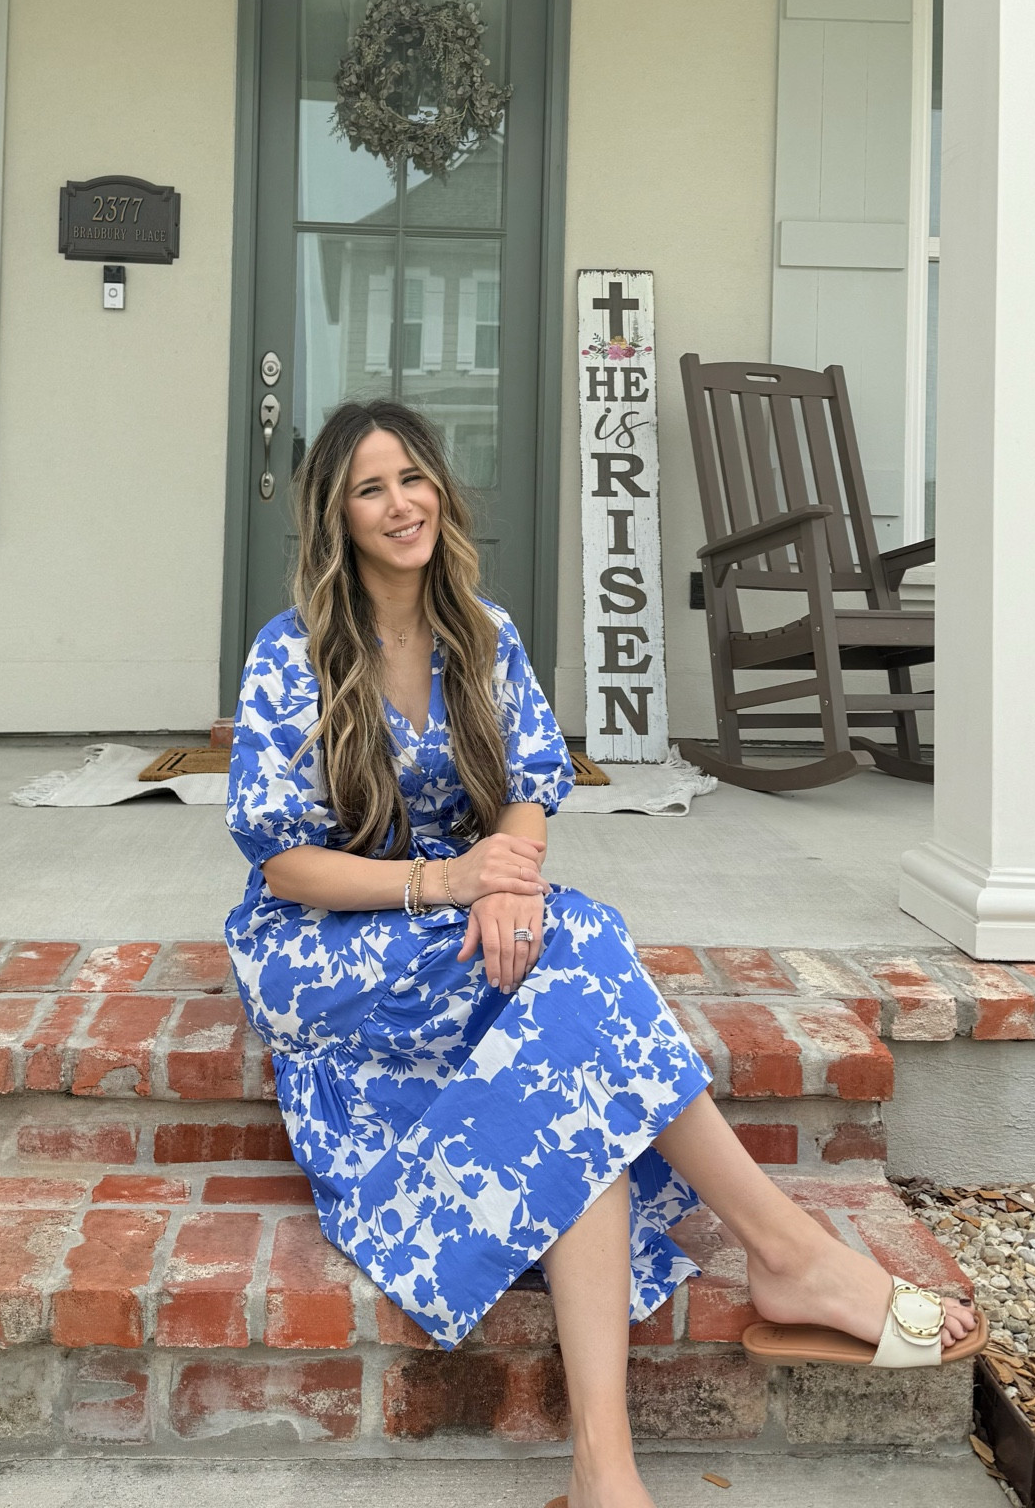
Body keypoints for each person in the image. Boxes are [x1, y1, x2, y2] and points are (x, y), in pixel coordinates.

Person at [225, 399, 980, 1508]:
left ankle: (604, 1469)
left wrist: (511, 876)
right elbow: (285, 858)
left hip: (461, 911)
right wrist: (453, 879)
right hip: (331, 942)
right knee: (585, 966)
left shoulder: (483, 632)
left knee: (569, 1035)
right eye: (372, 487)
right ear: (335, 516)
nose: (403, 503)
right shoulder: (290, 653)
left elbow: (533, 784)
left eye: (415, 477)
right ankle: (784, 1248)